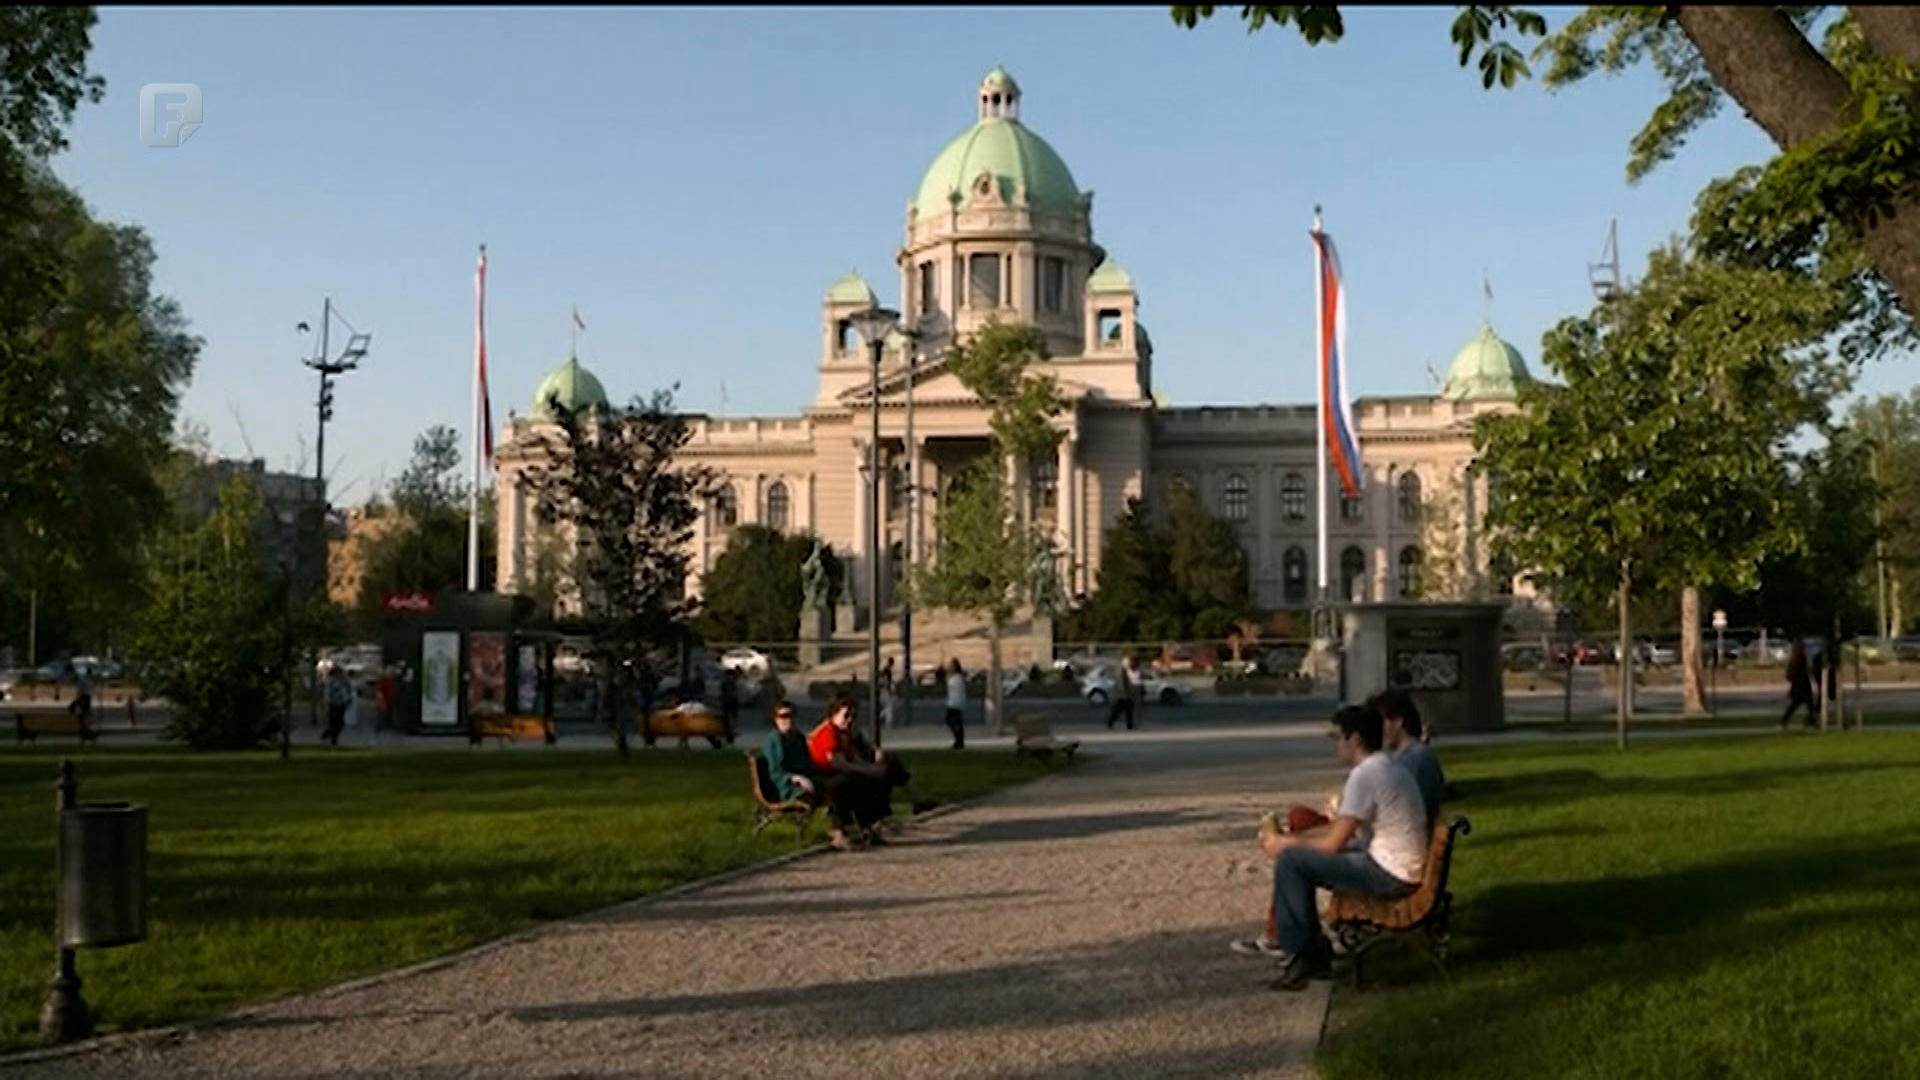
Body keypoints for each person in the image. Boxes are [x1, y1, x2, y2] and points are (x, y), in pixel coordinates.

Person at [1239, 705, 1430, 991]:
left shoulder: (1365, 776)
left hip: (1390, 873)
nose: (1336, 746)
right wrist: (1291, 839)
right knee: (1294, 856)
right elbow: (1338, 827)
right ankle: (1308, 950)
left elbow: (1332, 843)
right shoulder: (1385, 766)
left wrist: (1285, 846)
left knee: (1292, 863)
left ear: (1354, 740)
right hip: (1398, 863)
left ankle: (1302, 956)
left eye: (1338, 738)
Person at [808, 696, 940, 849]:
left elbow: (855, 759)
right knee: (851, 781)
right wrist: (868, 770)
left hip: (841, 774)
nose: (849, 720)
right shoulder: (828, 733)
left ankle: (872, 823)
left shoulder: (844, 734)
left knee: (881, 771)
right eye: (846, 716)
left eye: (853, 716)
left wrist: (872, 768)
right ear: (833, 715)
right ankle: (843, 830)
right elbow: (838, 763)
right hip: (825, 778)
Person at [1782, 639, 1816, 729]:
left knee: (1806, 703)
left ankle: (1811, 721)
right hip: (1801, 683)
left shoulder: (1799, 657)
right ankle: (1811, 721)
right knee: (1802, 703)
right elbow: (1800, 671)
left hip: (1801, 682)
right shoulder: (1799, 658)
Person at [1107, 655, 1139, 730]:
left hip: (1123, 694)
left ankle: (1129, 724)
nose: (1129, 664)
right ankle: (1111, 722)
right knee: (1120, 710)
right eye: (1128, 663)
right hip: (1122, 695)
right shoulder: (1121, 671)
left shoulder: (1123, 670)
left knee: (1126, 710)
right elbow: (1121, 684)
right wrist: (1127, 694)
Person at [322, 665, 352, 747]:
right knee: (333, 720)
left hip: (342, 703)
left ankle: (330, 733)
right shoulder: (331, 681)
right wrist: (327, 701)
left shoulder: (344, 681)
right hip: (333, 702)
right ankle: (333, 737)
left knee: (340, 722)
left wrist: (348, 699)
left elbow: (348, 690)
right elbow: (327, 693)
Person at [943, 659, 967, 749]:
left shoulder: (957, 678)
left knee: (951, 720)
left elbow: (955, 689)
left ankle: (959, 739)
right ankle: (959, 740)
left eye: (952, 665)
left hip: (955, 702)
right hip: (954, 701)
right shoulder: (953, 677)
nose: (950, 667)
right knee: (957, 722)